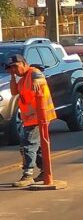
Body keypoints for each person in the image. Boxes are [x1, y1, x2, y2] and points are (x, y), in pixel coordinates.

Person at [5, 54, 56, 187]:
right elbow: (14, 92)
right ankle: (44, 172)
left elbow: (40, 78)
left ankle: (28, 174)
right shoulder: (22, 80)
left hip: (39, 116)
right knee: (36, 147)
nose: (14, 70)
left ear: (24, 63)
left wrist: (37, 82)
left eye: (15, 67)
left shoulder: (34, 72)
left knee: (28, 145)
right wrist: (12, 76)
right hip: (30, 118)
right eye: (11, 68)